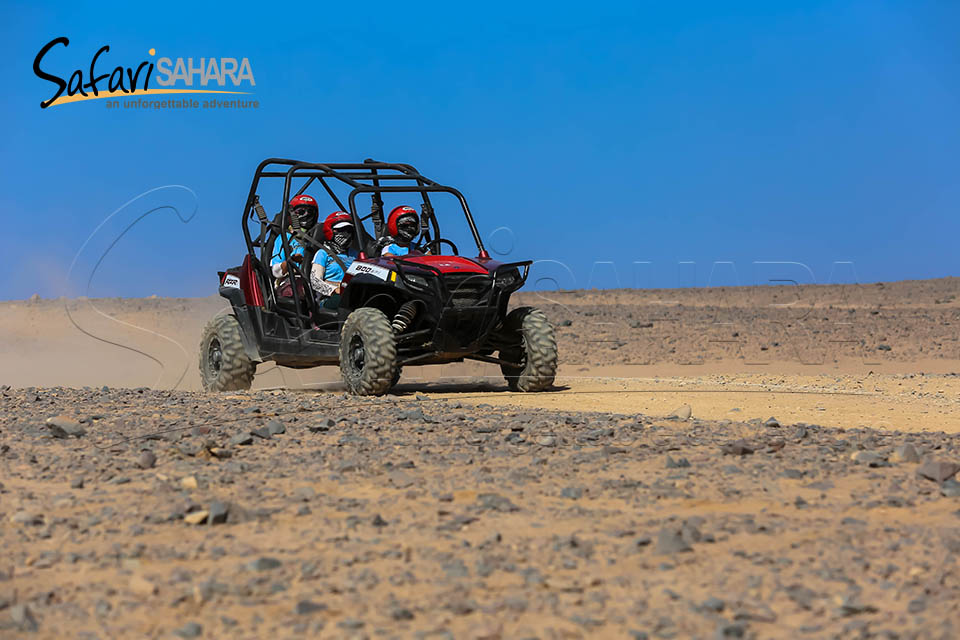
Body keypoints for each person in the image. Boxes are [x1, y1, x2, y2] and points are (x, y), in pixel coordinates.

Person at [270, 194, 319, 297]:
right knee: (302, 289)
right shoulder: (284, 238)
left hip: (315, 283)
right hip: (289, 282)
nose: (306, 215)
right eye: (301, 212)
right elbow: (275, 271)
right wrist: (290, 262)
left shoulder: (317, 239)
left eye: (310, 212)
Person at [311, 211, 358, 309]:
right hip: (329, 298)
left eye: (348, 230)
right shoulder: (322, 253)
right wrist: (335, 289)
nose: (345, 234)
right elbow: (315, 282)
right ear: (330, 231)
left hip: (353, 294)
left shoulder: (356, 255)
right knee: (347, 302)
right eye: (340, 230)